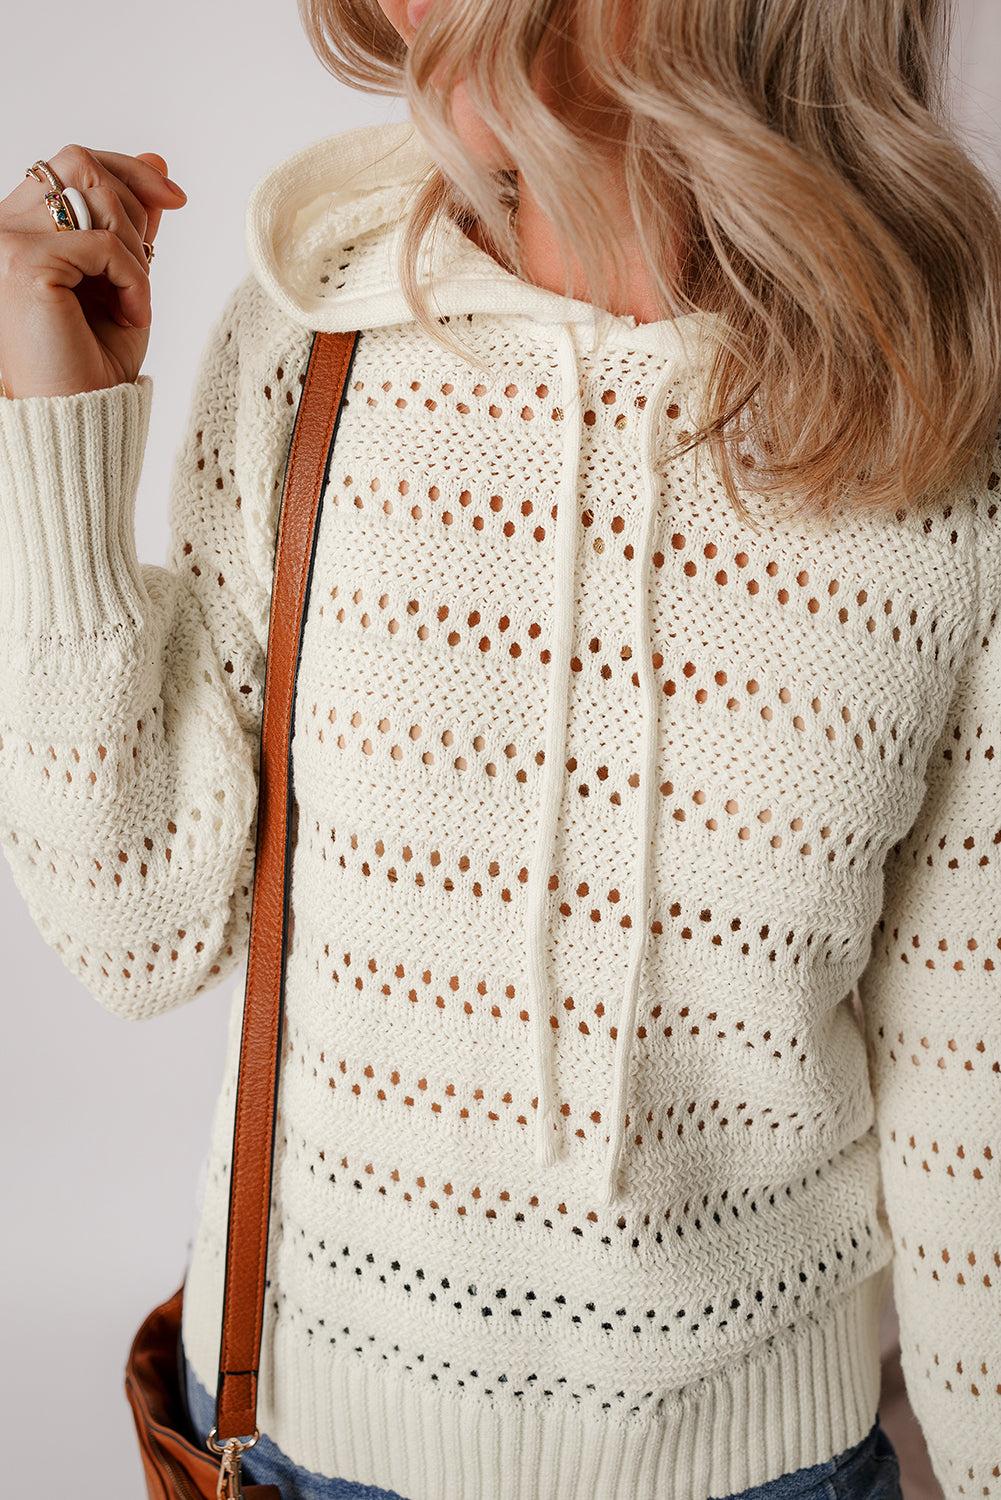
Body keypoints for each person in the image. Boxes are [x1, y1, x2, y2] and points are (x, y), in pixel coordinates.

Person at [0, 0, 998, 1496]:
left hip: (765, 1469)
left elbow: (972, 1085)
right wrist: (56, 428)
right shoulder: (314, 334)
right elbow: (137, 929)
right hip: (297, 1448)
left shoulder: (939, 433)